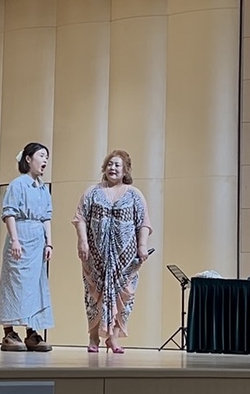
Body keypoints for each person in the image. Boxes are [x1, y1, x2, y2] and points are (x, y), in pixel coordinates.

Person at [72, 150, 152, 354]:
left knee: (124, 297)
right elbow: (80, 218)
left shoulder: (134, 194)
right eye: (109, 164)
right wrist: (82, 242)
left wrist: (142, 246)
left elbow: (143, 223)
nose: (112, 168)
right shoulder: (92, 192)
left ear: (125, 170)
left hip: (125, 259)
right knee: (94, 296)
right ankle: (93, 337)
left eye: (117, 165)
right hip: (95, 256)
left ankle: (113, 338)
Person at [0, 142, 54, 352]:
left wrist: (49, 243)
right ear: (28, 159)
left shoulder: (43, 188)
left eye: (46, 156)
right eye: (41, 155)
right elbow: (9, 213)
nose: (45, 160)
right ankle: (9, 333)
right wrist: (15, 239)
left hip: (38, 241)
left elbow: (47, 217)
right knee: (15, 284)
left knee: (36, 286)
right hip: (21, 236)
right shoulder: (18, 184)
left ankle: (32, 332)